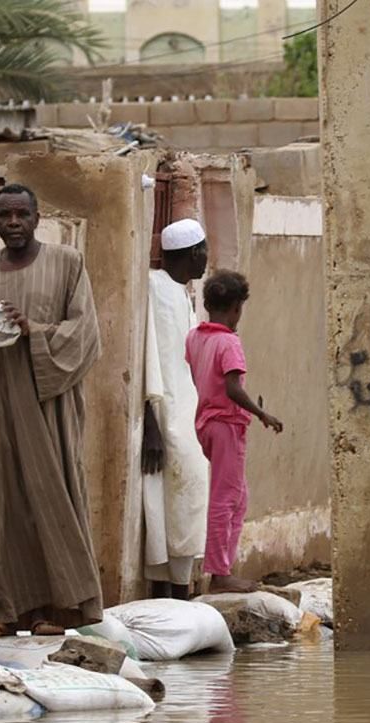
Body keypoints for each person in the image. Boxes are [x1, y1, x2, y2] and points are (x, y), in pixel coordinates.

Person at [0, 183, 103, 640]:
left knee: (51, 500)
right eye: (4, 216)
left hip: (47, 402)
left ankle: (59, 608)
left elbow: (85, 332)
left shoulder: (67, 264)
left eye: (21, 215)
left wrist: (34, 330)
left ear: (36, 218)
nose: (13, 223)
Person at [185, 270, 284, 593]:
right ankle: (219, 573)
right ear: (236, 308)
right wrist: (261, 413)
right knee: (226, 499)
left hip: (208, 423)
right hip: (226, 424)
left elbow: (200, 374)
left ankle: (224, 566)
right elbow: (231, 387)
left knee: (239, 499)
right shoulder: (228, 342)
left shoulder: (196, 337)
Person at [142, 218, 212, 600]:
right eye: (203, 253)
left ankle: (180, 592)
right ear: (192, 254)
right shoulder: (155, 288)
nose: (206, 261)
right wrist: (152, 419)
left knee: (187, 500)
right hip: (165, 412)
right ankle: (167, 596)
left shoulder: (183, 293)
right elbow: (149, 353)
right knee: (167, 501)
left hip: (188, 414)